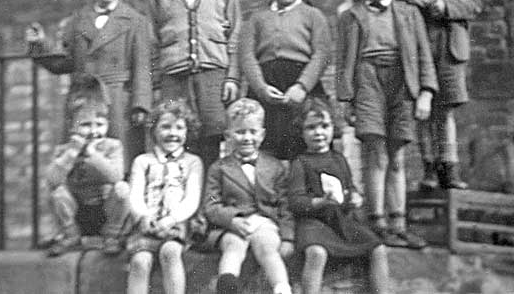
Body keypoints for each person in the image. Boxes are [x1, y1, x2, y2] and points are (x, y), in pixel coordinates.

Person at [336, 0, 438, 249]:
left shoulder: (409, 13)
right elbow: (344, 61)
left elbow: (423, 55)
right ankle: (376, 222)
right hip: (368, 82)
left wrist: (426, 94)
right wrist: (345, 100)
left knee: (398, 158)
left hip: (402, 83)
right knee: (376, 154)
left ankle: (398, 225)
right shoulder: (351, 17)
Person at [26, 0, 152, 175]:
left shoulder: (135, 21)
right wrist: (40, 45)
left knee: (120, 164)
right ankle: (86, 208)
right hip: (84, 101)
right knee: (81, 163)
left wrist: (140, 105)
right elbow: (65, 63)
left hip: (118, 102)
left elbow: (142, 68)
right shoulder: (77, 21)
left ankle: (120, 207)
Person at [393, 0, 481, 190]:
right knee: (422, 110)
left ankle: (449, 168)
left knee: (445, 111)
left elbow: (473, 3)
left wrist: (444, 4)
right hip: (414, 47)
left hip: (447, 45)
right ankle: (429, 168)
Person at [147, 0, 241, 170]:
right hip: (174, 77)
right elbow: (152, 38)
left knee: (213, 139)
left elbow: (235, 34)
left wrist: (232, 76)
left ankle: (208, 206)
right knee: (177, 138)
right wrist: (156, 83)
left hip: (213, 75)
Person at [289, 97, 389, 294]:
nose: (319, 132)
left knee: (378, 249)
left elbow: (349, 188)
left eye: (324, 126)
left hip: (340, 221)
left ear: (332, 128)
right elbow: (296, 202)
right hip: (313, 224)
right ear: (302, 132)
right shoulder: (300, 162)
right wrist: (321, 202)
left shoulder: (339, 159)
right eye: (311, 128)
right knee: (316, 252)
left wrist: (355, 197)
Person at [240, 0, 332, 160]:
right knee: (267, 145)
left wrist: (302, 87)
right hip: (266, 86)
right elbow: (246, 55)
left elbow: (322, 53)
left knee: (303, 141)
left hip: (301, 88)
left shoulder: (313, 15)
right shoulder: (256, 18)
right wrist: (261, 88)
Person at [203, 98, 294, 294]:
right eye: (240, 132)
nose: (247, 138)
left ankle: (282, 288)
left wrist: (288, 238)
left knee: (267, 247)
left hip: (265, 222)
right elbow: (211, 204)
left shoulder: (274, 166)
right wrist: (232, 220)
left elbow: (285, 205)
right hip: (234, 224)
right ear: (228, 135)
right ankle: (227, 285)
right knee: (233, 247)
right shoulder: (219, 168)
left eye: (252, 132)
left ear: (262, 135)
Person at [44, 76, 130, 256]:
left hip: (104, 210)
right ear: (72, 128)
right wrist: (72, 153)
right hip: (78, 212)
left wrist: (93, 154)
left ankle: (112, 237)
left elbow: (116, 176)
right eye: (85, 125)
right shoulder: (65, 150)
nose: (93, 131)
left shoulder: (112, 146)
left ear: (107, 124)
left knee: (122, 189)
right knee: (57, 192)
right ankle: (71, 235)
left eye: (99, 125)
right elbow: (52, 180)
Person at [127, 99, 203, 294]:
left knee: (170, 252)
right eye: (165, 127)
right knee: (140, 262)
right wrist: (144, 216)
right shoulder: (143, 161)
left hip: (176, 223)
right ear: (154, 131)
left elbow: (191, 200)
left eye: (179, 128)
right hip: (147, 223)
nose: (172, 133)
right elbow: (135, 194)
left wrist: (171, 219)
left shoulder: (193, 162)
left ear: (187, 132)